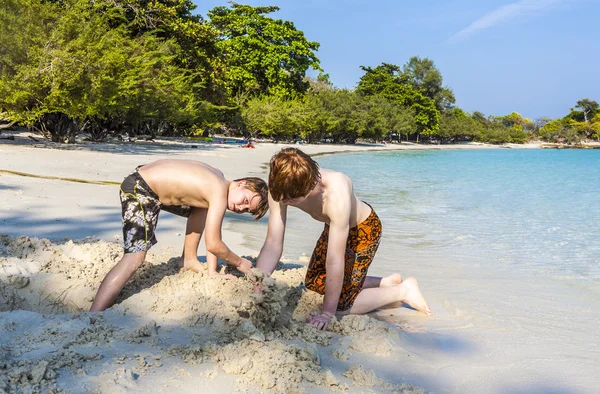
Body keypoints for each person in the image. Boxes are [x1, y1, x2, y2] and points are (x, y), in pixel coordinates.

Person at [256, 148, 433, 330]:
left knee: (341, 307)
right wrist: (258, 283)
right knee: (314, 283)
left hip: (363, 231)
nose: (283, 201)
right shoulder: (281, 186)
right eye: (280, 197)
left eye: (292, 199)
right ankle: (385, 282)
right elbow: (273, 243)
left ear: (309, 185)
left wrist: (327, 314)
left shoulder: (336, 191)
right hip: (332, 226)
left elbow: (334, 260)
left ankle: (403, 291)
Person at [90, 159, 269, 312]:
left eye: (246, 210)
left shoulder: (219, 179)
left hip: (151, 182)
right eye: (245, 201)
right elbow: (214, 244)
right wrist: (239, 262)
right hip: (140, 188)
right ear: (242, 183)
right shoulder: (218, 191)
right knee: (135, 258)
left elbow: (215, 231)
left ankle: (188, 259)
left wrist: (213, 271)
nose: (240, 208)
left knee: (202, 207)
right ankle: (94, 313)